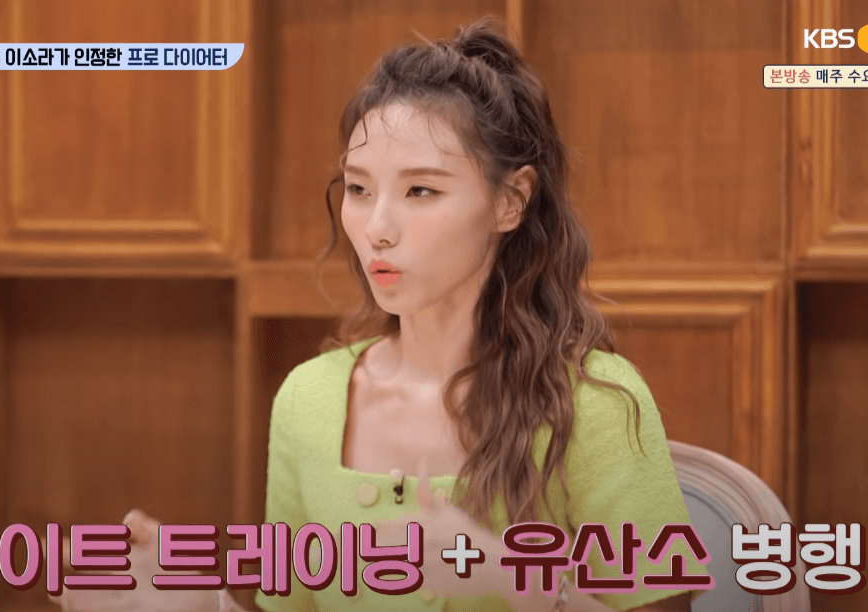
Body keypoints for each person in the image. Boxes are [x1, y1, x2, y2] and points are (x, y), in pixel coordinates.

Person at [48, 15, 709, 612]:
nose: (377, 229)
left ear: (511, 201)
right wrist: (201, 602)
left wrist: (517, 580)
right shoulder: (308, 400)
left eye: (420, 190)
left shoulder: (596, 402)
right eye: (359, 189)